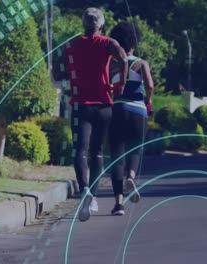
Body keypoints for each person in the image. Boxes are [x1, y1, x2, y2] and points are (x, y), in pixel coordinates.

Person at [65, 8, 128, 222]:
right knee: (97, 152)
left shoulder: (73, 43)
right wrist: (120, 83)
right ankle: (93, 197)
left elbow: (59, 69)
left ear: (84, 24)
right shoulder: (108, 43)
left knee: (80, 149)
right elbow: (123, 59)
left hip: (81, 105)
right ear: (101, 25)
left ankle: (84, 190)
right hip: (104, 106)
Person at [108, 22, 154, 216]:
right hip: (138, 112)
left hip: (116, 110)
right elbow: (150, 86)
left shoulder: (112, 62)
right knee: (135, 149)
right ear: (134, 43)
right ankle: (132, 177)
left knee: (117, 156)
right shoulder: (141, 63)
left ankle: (119, 204)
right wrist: (148, 102)